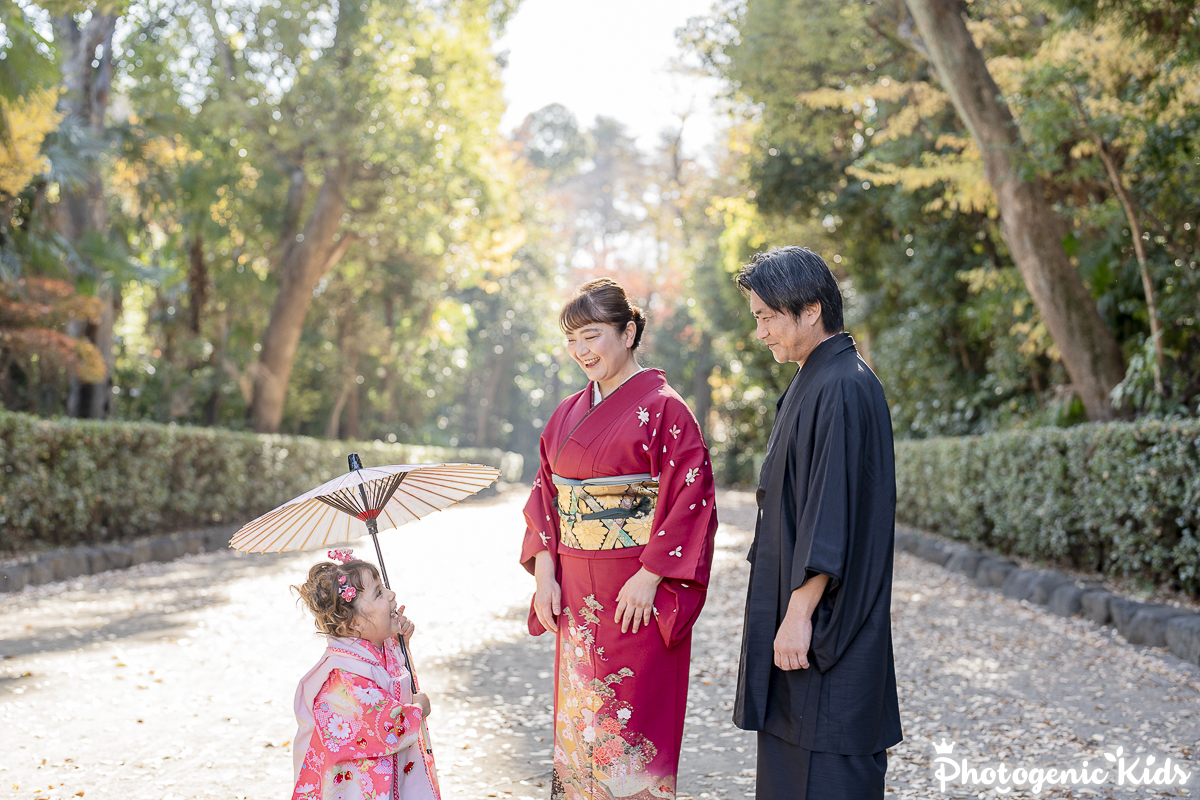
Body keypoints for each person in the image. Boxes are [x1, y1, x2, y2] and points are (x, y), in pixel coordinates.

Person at [520, 278, 718, 800]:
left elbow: (691, 498)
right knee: (582, 716)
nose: (581, 351)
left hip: (637, 595)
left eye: (592, 335)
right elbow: (545, 497)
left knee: (633, 719)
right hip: (575, 594)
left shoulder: (666, 408)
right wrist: (544, 576)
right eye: (572, 340)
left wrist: (652, 576)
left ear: (628, 332)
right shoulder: (566, 412)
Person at [731, 247, 903, 799]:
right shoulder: (816, 377)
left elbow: (834, 509)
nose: (760, 332)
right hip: (800, 617)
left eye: (765, 317)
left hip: (827, 626)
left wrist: (800, 612)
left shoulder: (845, 384)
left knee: (827, 765)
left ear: (809, 310)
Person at [291, 549, 440, 800]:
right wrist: (417, 711)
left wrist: (400, 642)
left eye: (384, 587)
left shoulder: (377, 648)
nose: (392, 594)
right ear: (353, 624)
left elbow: (395, 681)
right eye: (379, 593)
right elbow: (378, 723)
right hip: (359, 783)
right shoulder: (341, 675)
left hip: (387, 773)